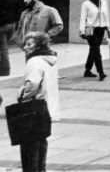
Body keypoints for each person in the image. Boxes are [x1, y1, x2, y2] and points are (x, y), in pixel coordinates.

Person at [18, 31, 59, 172]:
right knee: (41, 145)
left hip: (33, 108)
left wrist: (22, 95)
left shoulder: (34, 62)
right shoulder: (48, 60)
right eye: (25, 44)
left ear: (38, 46)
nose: (25, 47)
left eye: (29, 44)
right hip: (45, 108)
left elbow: (32, 85)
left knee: (29, 149)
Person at [78, 0, 110, 80]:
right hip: (91, 30)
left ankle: (87, 70)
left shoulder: (103, 2)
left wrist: (108, 29)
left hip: (101, 29)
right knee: (96, 51)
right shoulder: (86, 4)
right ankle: (101, 72)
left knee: (93, 50)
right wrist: (82, 31)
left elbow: (106, 16)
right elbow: (82, 18)